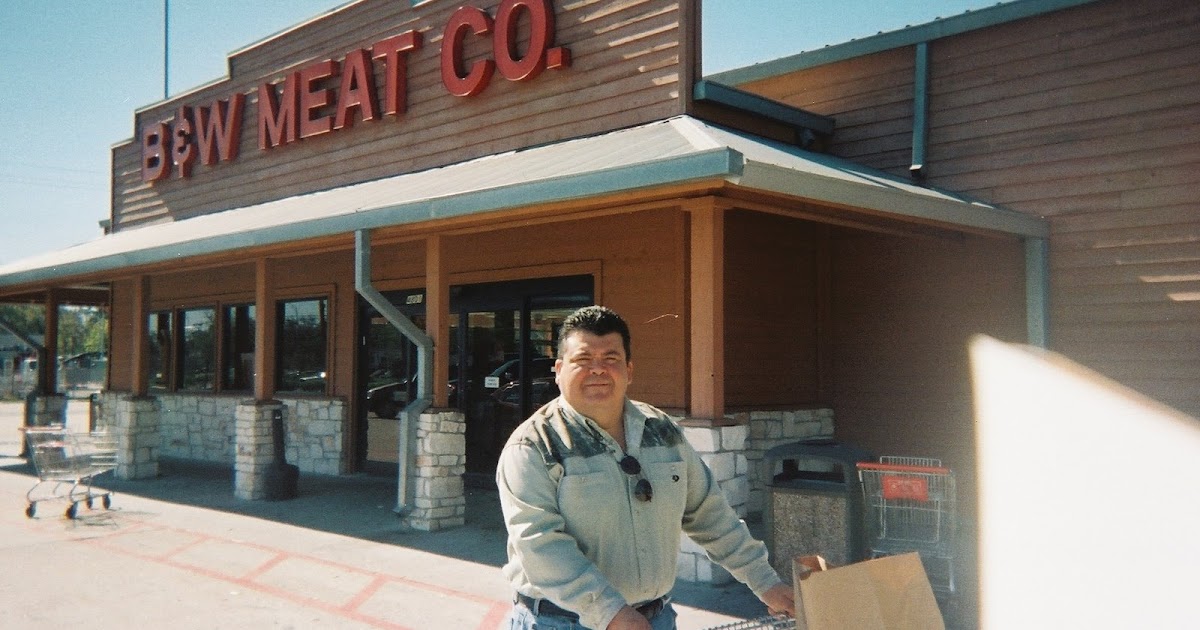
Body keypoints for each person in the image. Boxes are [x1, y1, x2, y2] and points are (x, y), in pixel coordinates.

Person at [496, 305, 794, 630]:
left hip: (655, 618)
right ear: (558, 370)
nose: (598, 369)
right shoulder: (534, 446)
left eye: (611, 358)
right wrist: (611, 613)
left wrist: (767, 584)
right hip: (559, 622)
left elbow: (711, 516)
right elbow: (539, 545)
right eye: (583, 360)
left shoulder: (661, 431)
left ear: (629, 369)